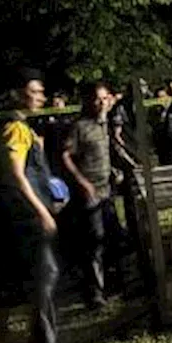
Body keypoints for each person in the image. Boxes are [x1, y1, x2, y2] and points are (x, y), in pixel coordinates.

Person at [0, 69, 75, 343]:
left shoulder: (25, 128)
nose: (42, 97)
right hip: (25, 215)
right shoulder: (14, 128)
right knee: (45, 275)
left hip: (26, 212)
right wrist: (42, 211)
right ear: (20, 93)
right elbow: (16, 174)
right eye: (35, 91)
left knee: (42, 277)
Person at [61, 82, 119, 309]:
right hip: (90, 192)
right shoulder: (80, 127)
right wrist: (82, 181)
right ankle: (94, 292)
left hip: (107, 189)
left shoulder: (105, 125)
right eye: (98, 99)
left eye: (105, 98)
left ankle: (111, 284)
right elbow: (66, 155)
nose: (102, 103)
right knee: (95, 240)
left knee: (110, 237)